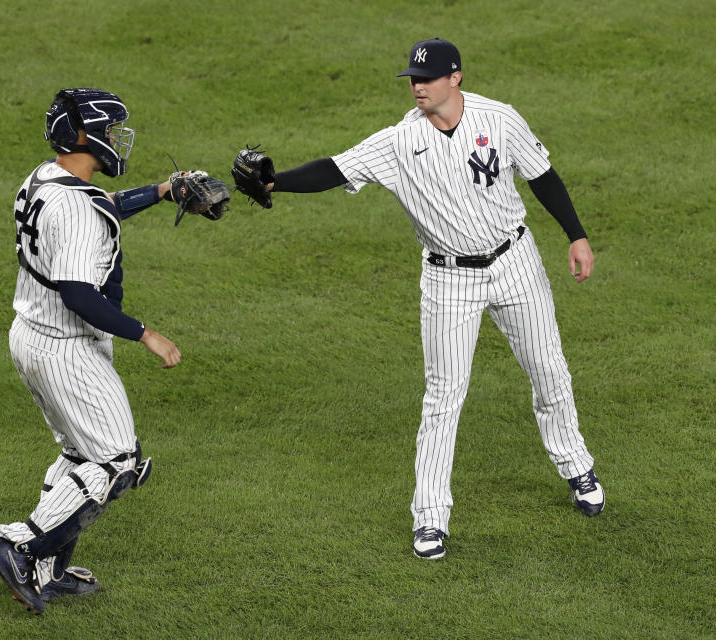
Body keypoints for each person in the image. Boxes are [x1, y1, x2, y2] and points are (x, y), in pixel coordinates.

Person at [232, 39, 605, 560]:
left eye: (426, 78)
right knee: (443, 399)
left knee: (549, 370)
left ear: (455, 78)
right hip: (449, 280)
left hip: (515, 261)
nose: (417, 86)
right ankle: (430, 518)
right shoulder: (398, 142)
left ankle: (576, 466)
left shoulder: (499, 119)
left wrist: (577, 235)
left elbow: (543, 177)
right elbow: (334, 169)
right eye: (412, 78)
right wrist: (276, 182)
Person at [0, 88, 184, 613]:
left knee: (80, 454)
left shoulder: (46, 178)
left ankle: (47, 571)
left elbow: (100, 206)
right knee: (118, 461)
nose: (118, 139)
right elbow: (77, 293)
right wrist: (146, 334)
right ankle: (20, 548)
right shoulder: (73, 208)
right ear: (82, 135)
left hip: (31, 334)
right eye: (111, 131)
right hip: (66, 349)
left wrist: (160, 191)